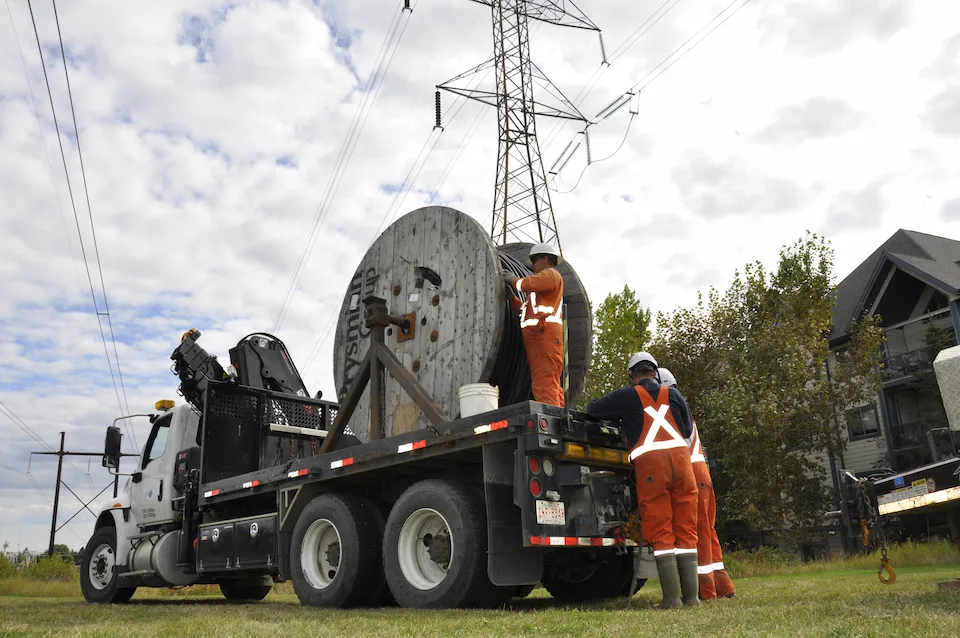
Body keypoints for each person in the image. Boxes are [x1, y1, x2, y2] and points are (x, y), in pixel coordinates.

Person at [585, 352, 699, 609]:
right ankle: (692, 598)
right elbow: (687, 431)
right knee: (686, 528)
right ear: (656, 374)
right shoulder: (674, 395)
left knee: (661, 528)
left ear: (632, 375)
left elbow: (592, 409)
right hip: (682, 465)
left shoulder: (627, 396)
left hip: (652, 468)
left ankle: (672, 599)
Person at [659, 367, 737, 601]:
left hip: (693, 475)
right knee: (708, 531)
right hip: (703, 475)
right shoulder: (683, 410)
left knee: (699, 532)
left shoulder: (670, 411)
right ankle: (724, 586)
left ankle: (707, 591)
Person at [502, 243, 565, 407]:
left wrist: (512, 280)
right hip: (540, 338)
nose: (533, 266)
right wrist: (511, 298)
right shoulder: (540, 294)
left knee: (544, 381)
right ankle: (558, 415)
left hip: (544, 337)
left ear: (545, 258)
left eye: (535, 261)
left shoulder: (551, 275)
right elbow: (525, 310)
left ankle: (552, 419)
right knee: (549, 380)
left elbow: (527, 284)